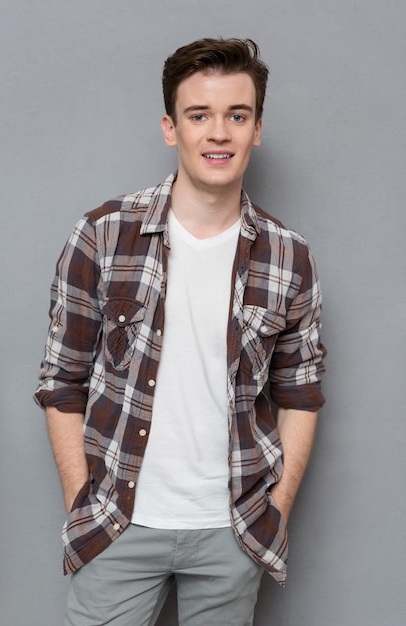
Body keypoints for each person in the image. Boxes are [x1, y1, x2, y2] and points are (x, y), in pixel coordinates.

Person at [35, 37, 326, 626]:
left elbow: (301, 393)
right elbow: (61, 381)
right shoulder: (102, 235)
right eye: (199, 115)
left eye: (236, 115)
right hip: (118, 522)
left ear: (256, 130)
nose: (218, 132)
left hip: (233, 532)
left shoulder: (289, 256)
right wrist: (81, 497)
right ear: (172, 128)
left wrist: (276, 510)